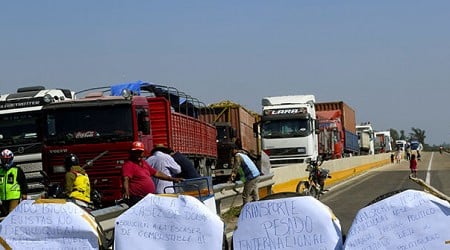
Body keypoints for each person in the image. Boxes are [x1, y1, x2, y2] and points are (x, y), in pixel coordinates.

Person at [122, 141, 183, 206]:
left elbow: (156, 173)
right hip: (137, 199)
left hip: (148, 197)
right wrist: (126, 192)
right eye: (135, 152)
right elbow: (125, 179)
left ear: (143, 153)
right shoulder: (128, 165)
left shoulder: (144, 163)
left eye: (140, 152)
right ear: (131, 153)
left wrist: (173, 179)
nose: (138, 154)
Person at [0, 149, 27, 216]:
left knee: (11, 215)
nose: (5, 162)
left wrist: (24, 193)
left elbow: (23, 182)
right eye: (4, 160)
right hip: (3, 197)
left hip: (14, 197)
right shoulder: (0, 170)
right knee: (5, 215)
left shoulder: (17, 170)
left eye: (7, 160)